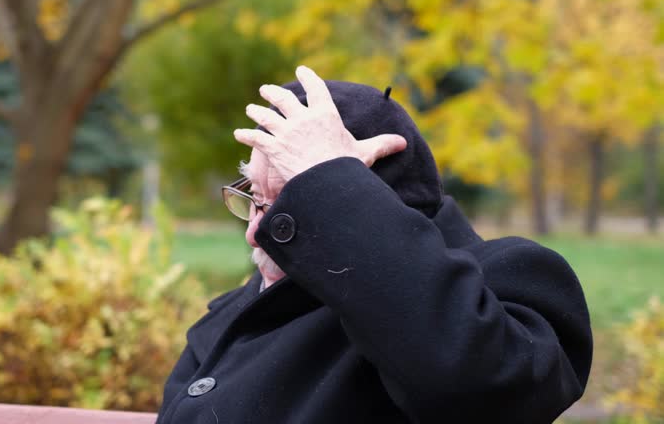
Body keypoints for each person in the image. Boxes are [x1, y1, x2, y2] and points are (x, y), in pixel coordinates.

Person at [155, 66, 593, 424]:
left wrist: (330, 181)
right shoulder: (239, 311)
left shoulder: (508, 277)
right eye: (254, 198)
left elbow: (478, 388)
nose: (255, 234)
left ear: (362, 197)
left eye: (290, 210)